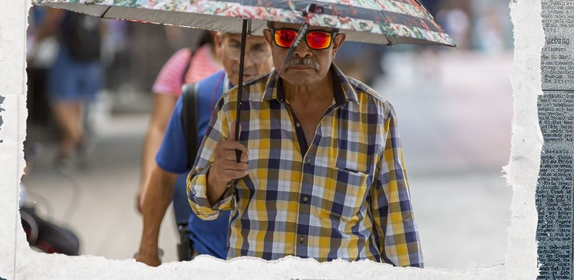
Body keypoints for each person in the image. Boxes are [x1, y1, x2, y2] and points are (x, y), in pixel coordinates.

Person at [187, 21, 423, 266]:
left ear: (336, 44)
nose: (301, 51)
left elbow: (396, 222)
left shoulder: (375, 114)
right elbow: (199, 205)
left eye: (318, 39)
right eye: (288, 38)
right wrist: (217, 177)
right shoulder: (235, 107)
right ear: (269, 39)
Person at [136, 32, 273, 266]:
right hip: (207, 259)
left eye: (258, 48)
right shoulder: (196, 98)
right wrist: (147, 251)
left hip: (273, 262)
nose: (245, 61)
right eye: (236, 45)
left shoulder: (295, 104)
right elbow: (163, 177)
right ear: (219, 44)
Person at [137, 31, 222, 213]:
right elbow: (158, 127)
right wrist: (148, 182)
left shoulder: (265, 66)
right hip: (189, 177)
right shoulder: (185, 62)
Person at [38, 8, 105, 171]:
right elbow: (103, 30)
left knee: (59, 103)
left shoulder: (63, 1)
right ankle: (64, 152)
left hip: (68, 59)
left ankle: (80, 140)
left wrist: (41, 38)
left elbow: (47, 27)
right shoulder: (95, 1)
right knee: (75, 108)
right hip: (90, 61)